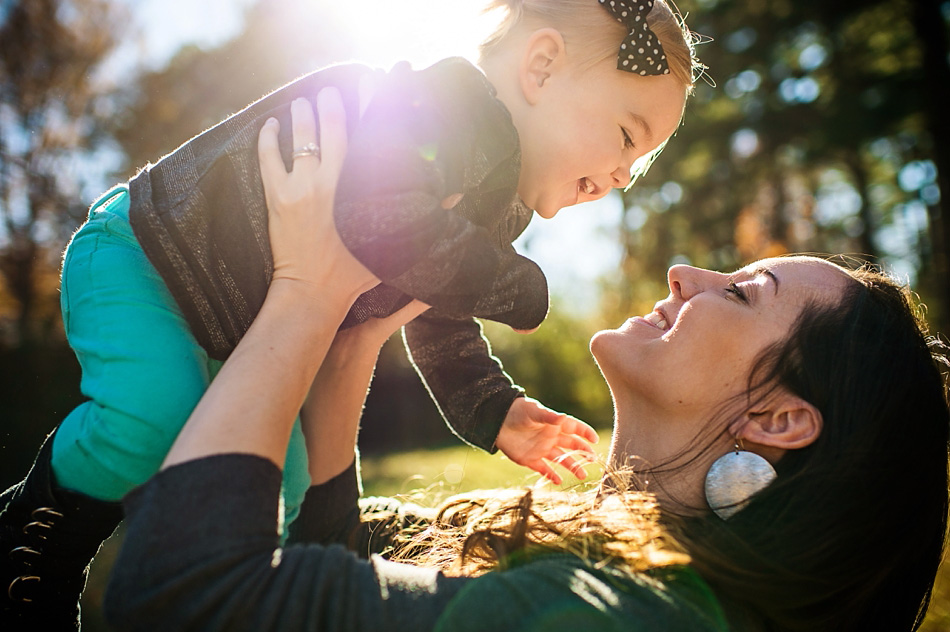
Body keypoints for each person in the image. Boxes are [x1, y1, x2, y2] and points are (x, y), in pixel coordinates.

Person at [103, 85, 949, 632]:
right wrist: (357, 337)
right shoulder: (624, 582)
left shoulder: (619, 620)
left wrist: (303, 290)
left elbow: (181, 597)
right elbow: (337, 567)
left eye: (742, 291)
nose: (687, 273)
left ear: (778, 419)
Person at [1, 0, 703, 627]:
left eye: (639, 167)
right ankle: (35, 533)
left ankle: (284, 600)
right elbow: (382, 220)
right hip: (149, 255)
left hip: (236, 323)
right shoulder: (446, 104)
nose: (623, 174)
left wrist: (491, 406)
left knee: (289, 487)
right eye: (625, 136)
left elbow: (438, 309)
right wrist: (517, 288)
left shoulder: (496, 200)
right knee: (152, 416)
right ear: (541, 67)